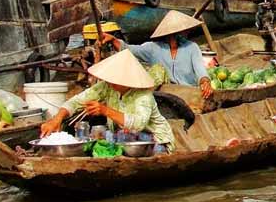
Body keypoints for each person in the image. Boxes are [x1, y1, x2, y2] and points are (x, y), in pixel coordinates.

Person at [39, 49, 175, 153]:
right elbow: (76, 102)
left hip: (154, 140)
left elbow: (137, 124)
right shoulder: (107, 86)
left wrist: (105, 110)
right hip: (125, 137)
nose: (110, 82)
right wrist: (57, 118)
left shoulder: (144, 95)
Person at [101, 10, 213, 99]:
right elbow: (130, 49)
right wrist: (113, 40)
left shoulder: (192, 47)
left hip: (189, 93)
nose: (186, 33)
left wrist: (205, 82)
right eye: (182, 31)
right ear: (172, 34)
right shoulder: (153, 48)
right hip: (165, 94)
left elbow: (200, 70)